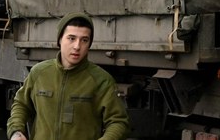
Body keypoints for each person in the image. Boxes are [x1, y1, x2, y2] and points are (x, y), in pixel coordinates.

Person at [7, 12, 130, 140]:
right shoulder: (39, 73)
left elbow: (118, 122)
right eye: (71, 38)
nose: (77, 46)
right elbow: (21, 104)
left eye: (84, 40)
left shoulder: (101, 80)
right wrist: (16, 131)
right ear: (60, 39)